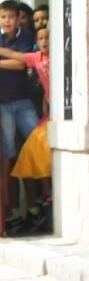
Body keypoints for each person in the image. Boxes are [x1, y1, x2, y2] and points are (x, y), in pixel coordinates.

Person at [0, 25, 51, 234]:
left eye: (49, 37)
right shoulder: (37, 58)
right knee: (31, 154)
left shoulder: (59, 58)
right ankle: (45, 199)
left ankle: (47, 198)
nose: (45, 41)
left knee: (42, 155)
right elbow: (15, 55)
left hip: (56, 116)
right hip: (47, 117)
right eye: (41, 38)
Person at [0, 0, 37, 230]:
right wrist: (8, 56)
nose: (7, 21)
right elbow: (14, 61)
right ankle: (11, 209)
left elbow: (22, 64)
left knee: (34, 148)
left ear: (18, 18)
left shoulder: (26, 38)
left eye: (11, 17)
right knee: (9, 156)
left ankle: (38, 205)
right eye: (3, 17)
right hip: (3, 105)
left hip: (24, 103)